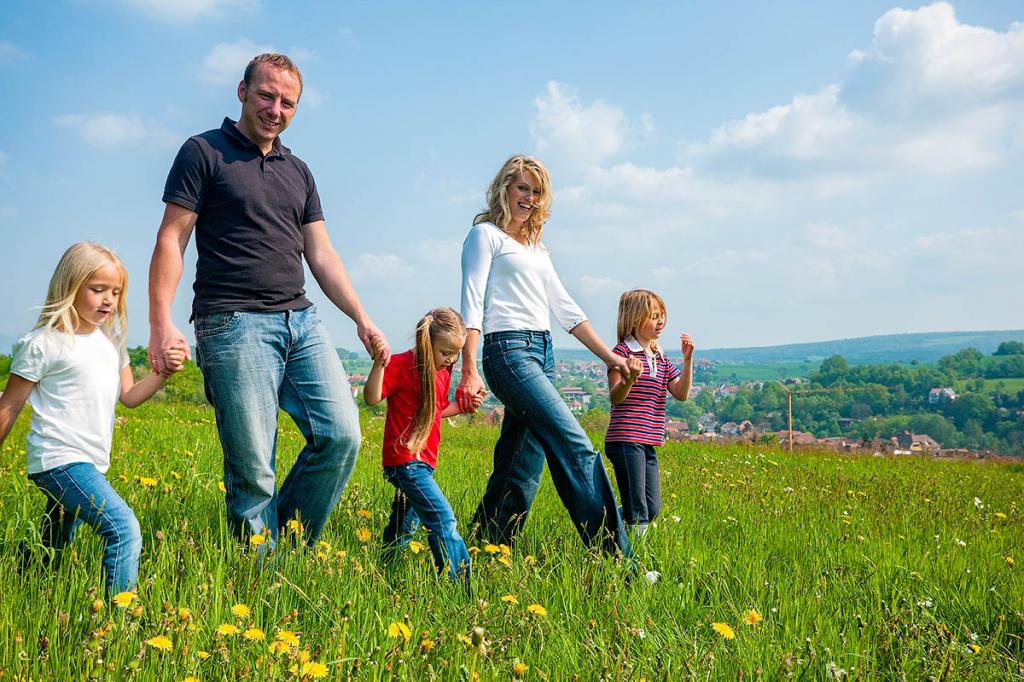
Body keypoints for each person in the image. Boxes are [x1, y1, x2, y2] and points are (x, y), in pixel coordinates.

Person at [148, 53, 389, 548]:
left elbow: (320, 254)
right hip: (232, 322)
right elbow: (172, 238)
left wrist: (362, 318)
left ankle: (288, 550)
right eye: (266, 95)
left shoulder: (298, 170)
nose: (275, 109)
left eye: (287, 102)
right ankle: (261, 579)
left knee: (342, 437)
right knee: (254, 471)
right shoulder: (203, 151)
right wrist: (161, 323)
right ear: (242, 91)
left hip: (301, 321)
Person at [457, 154, 633, 559]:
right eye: (522, 188)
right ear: (505, 188)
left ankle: (485, 550)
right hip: (508, 351)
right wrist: (469, 367)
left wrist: (611, 358)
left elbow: (566, 309)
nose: (530, 198)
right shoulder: (484, 236)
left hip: (543, 353)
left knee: (521, 465)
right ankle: (618, 559)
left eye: (537, 192)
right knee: (575, 446)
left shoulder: (535, 247)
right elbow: (470, 301)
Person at [0, 242, 185, 597]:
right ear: (69, 286)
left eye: (115, 292)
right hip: (59, 460)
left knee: (54, 540)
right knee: (122, 528)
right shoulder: (43, 344)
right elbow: (9, 406)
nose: (108, 300)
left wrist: (162, 374)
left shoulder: (110, 344)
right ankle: (117, 624)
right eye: (97, 289)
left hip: (91, 462)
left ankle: (21, 577)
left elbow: (129, 397)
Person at [364, 308, 481, 591]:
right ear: (427, 342)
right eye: (446, 352)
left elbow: (435, 411)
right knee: (442, 519)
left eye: (456, 353)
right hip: (405, 461)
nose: (451, 359)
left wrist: (464, 406)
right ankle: (462, 589)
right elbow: (371, 397)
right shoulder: (403, 365)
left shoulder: (441, 373)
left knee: (404, 526)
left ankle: (385, 577)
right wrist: (379, 364)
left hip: (424, 463)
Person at [605, 289, 694, 541]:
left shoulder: (660, 356)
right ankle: (635, 561)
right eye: (653, 316)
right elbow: (615, 396)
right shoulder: (621, 353)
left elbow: (681, 393)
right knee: (638, 510)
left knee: (652, 508)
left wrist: (688, 361)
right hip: (625, 438)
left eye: (662, 315)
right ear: (634, 320)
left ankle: (605, 524)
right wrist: (630, 378)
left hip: (648, 440)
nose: (660, 321)